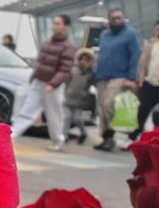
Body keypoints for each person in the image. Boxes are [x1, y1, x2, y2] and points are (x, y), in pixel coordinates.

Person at [11, 14, 75, 151]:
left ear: (66, 26)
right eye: (54, 23)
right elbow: (39, 63)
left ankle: (58, 141)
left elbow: (65, 68)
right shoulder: (46, 43)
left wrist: (54, 84)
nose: (55, 26)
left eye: (58, 23)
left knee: (54, 114)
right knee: (27, 110)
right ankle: (11, 135)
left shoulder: (68, 46)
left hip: (52, 86)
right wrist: (34, 77)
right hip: (38, 82)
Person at [93, 8, 141, 151]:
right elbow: (101, 55)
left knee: (109, 104)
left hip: (120, 76)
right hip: (102, 76)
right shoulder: (104, 35)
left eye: (119, 18)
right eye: (114, 18)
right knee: (102, 109)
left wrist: (131, 78)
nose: (117, 20)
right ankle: (106, 139)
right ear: (109, 20)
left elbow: (135, 56)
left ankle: (111, 134)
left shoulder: (130, 34)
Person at [131, 21, 159, 139]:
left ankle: (155, 136)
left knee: (157, 115)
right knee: (142, 110)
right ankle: (134, 134)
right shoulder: (150, 44)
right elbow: (142, 63)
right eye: (157, 29)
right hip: (149, 82)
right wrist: (140, 79)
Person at [64, 48, 96, 145]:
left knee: (77, 119)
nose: (83, 62)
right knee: (66, 117)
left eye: (86, 60)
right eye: (81, 59)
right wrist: (64, 92)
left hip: (80, 100)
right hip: (69, 96)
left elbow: (94, 84)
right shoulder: (73, 70)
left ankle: (83, 133)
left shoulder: (91, 74)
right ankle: (64, 136)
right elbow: (67, 82)